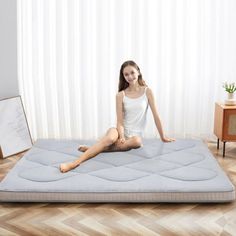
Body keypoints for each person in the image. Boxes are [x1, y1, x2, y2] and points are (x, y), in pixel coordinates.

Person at [60, 60, 174, 173]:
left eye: (132, 72)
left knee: (137, 142)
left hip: (134, 137)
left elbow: (156, 116)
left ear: (138, 72)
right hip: (119, 131)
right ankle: (74, 163)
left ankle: (92, 149)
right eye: (126, 74)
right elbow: (119, 121)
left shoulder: (147, 92)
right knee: (110, 138)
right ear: (123, 77)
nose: (130, 76)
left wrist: (163, 136)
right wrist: (122, 136)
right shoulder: (120, 95)